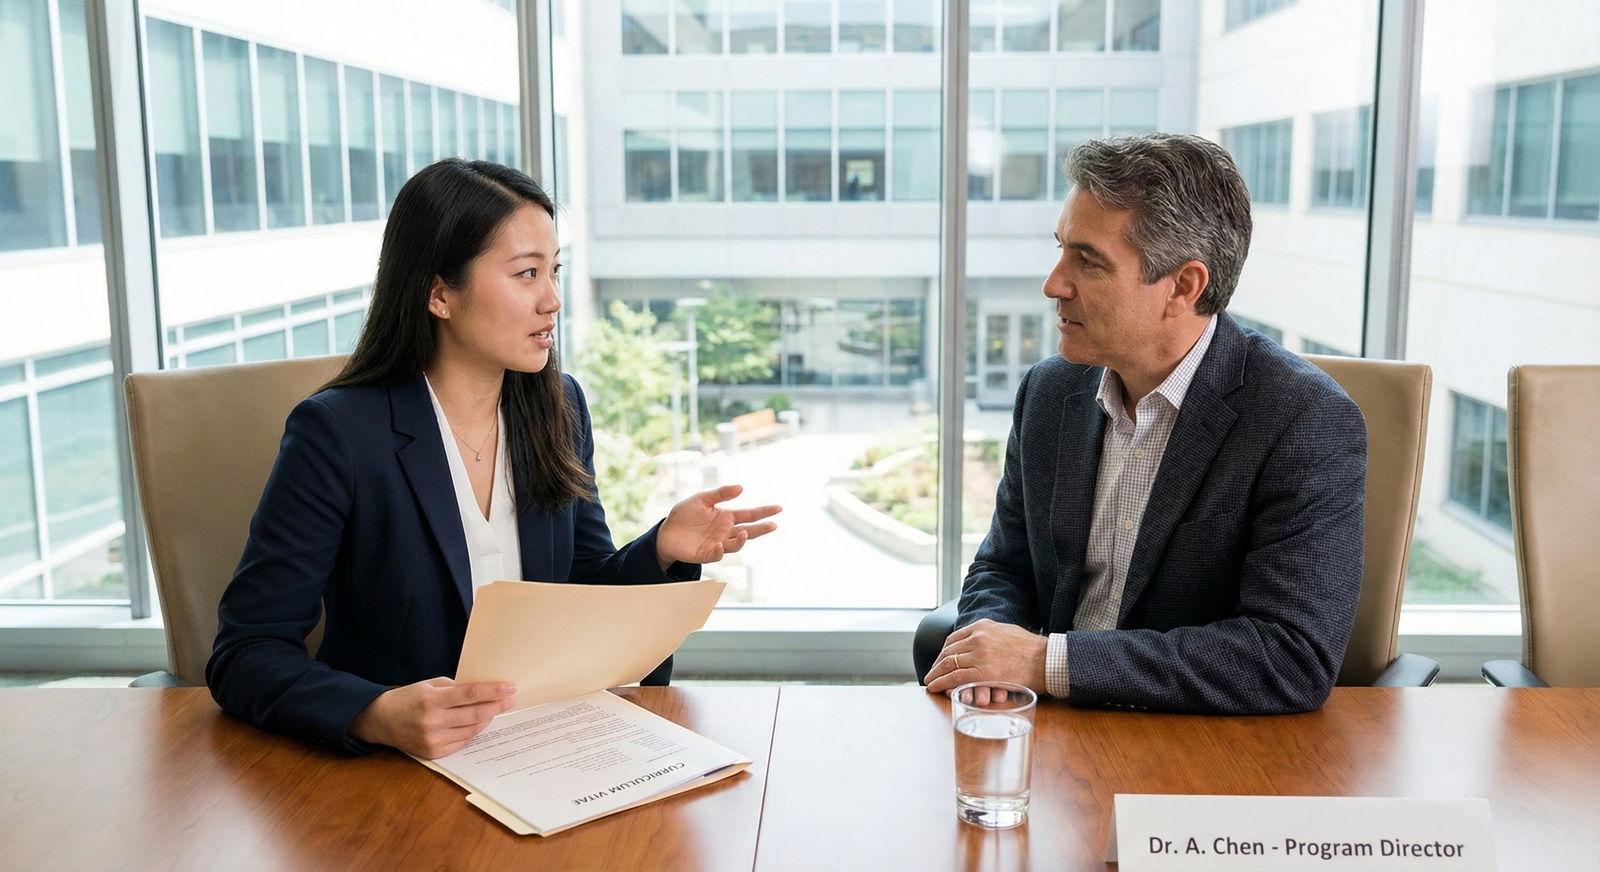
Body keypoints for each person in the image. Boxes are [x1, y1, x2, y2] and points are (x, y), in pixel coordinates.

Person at [208, 159, 781, 757]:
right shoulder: (338, 433)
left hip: (545, 744)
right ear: (439, 294)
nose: (552, 301)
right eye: (527, 273)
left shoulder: (558, 405)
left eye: (554, 271)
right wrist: (374, 714)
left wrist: (662, 550)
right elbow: (246, 652)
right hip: (396, 770)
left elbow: (581, 587)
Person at [924, 134, 1365, 714]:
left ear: (1183, 286)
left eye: (1088, 260)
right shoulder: (1051, 391)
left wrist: (1045, 661)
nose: (1054, 283)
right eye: (1061, 250)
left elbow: (1288, 657)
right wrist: (988, 650)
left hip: (1191, 740)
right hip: (1049, 721)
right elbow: (1006, 566)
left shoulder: (1303, 419)